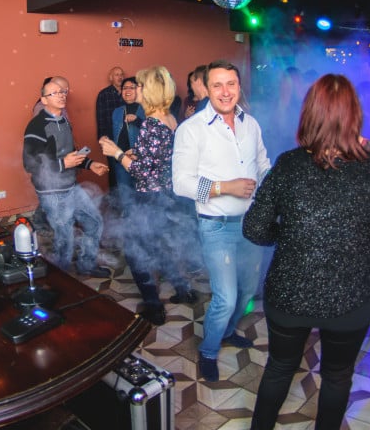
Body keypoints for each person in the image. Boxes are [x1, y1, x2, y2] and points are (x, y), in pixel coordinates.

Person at [243, 74, 370, 430]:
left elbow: (255, 228)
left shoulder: (288, 164)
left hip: (290, 292)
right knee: (337, 377)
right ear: (354, 116)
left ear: (309, 114)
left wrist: (290, 237)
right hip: (349, 297)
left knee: (279, 368)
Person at [172, 60, 270, 382]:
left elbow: (263, 164)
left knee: (247, 292)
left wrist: (273, 188)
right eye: (217, 85)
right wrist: (225, 187)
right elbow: (181, 184)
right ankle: (209, 350)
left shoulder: (250, 124)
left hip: (251, 224)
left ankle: (227, 332)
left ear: (239, 87)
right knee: (226, 298)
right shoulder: (191, 129)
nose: (225, 92)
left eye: (231, 84)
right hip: (216, 225)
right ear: (207, 88)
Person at [99, 66, 195, 326]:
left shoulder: (151, 124)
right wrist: (136, 154)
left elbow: (142, 172)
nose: (135, 89)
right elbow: (160, 158)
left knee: (134, 250)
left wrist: (117, 153)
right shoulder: (169, 118)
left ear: (149, 90)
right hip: (165, 194)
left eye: (139, 85)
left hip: (149, 197)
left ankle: (153, 307)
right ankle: (183, 289)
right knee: (158, 244)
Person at [23, 77, 111, 277]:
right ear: (44, 100)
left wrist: (89, 164)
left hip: (71, 186)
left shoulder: (63, 121)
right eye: (54, 93)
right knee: (65, 237)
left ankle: (86, 265)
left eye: (62, 92)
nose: (61, 95)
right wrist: (63, 164)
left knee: (94, 222)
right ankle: (62, 278)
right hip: (51, 191)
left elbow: (70, 154)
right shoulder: (36, 126)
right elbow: (30, 164)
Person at [109, 76, 144, 208]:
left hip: (141, 160)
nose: (127, 91)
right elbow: (113, 133)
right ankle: (129, 217)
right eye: (124, 88)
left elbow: (153, 132)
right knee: (125, 195)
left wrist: (137, 120)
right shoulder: (117, 111)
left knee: (142, 196)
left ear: (139, 90)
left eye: (131, 88)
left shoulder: (146, 109)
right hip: (121, 159)